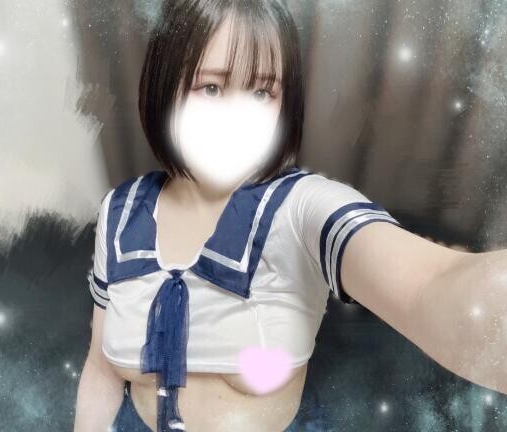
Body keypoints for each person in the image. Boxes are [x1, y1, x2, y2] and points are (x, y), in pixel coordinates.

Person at [74, 1, 478, 431]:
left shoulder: (302, 205)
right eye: (211, 88)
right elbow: (101, 369)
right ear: (164, 86)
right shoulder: (121, 211)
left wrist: (468, 294)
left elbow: (433, 284)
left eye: (262, 92)